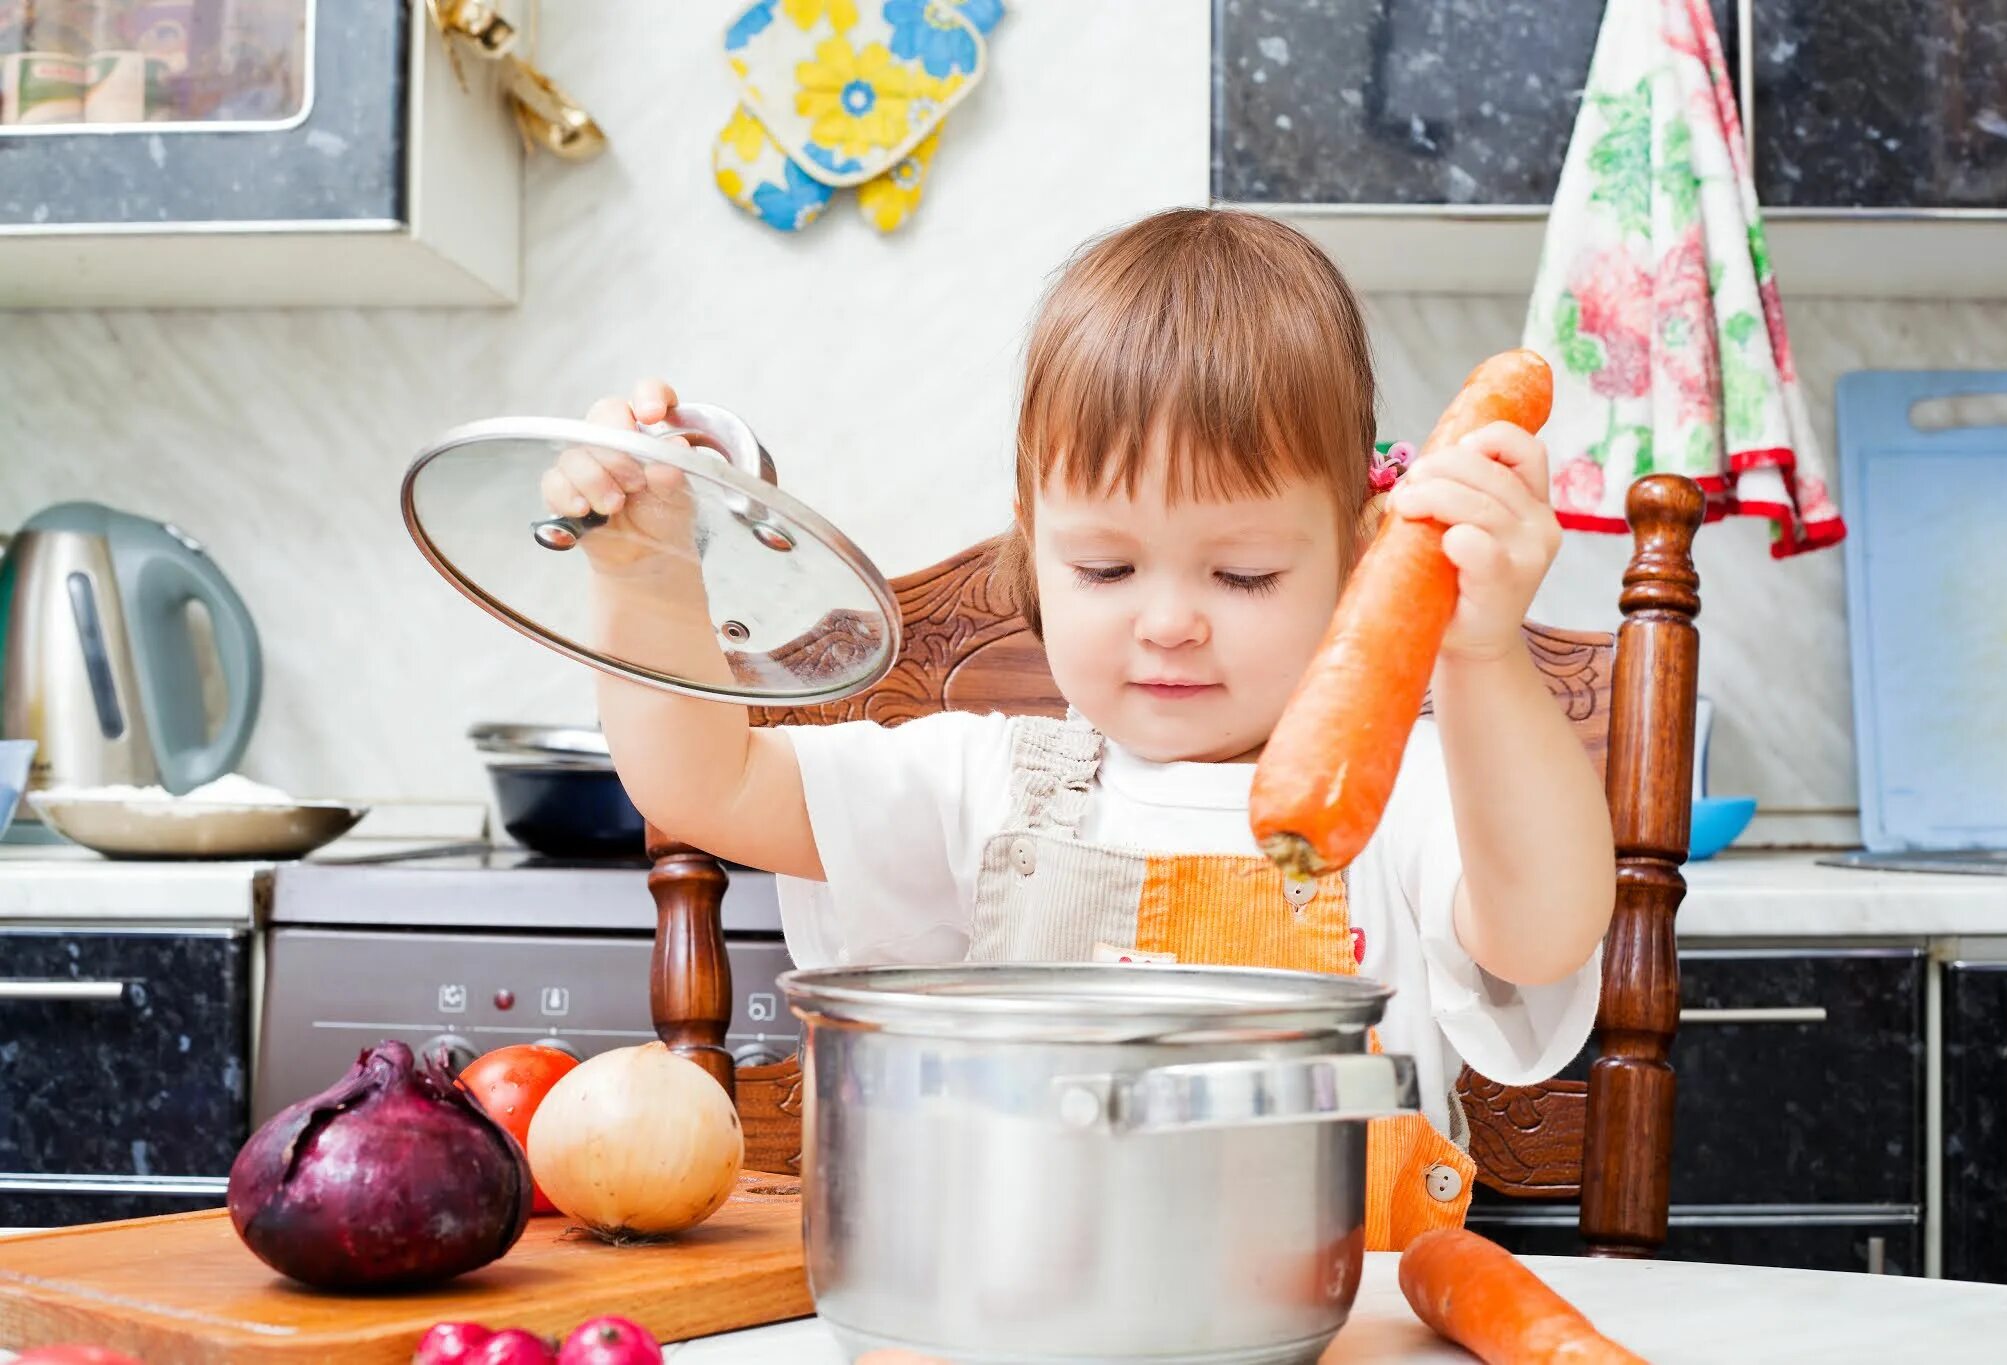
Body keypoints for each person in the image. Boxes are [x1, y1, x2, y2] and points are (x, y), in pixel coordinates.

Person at [543, 207, 1615, 1247]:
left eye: (1242, 573)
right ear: (1037, 551)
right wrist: (643, 571)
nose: (1167, 623)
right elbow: (704, 786)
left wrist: (1479, 653)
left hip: (1343, 1330)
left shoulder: (1417, 795)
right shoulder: (987, 784)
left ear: (1358, 553)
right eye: (1104, 567)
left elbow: (1541, 933)